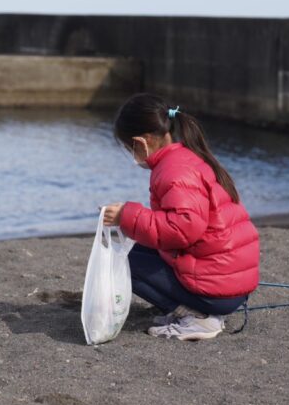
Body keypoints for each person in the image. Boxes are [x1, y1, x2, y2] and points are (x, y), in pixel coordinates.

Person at [102, 93, 260, 341]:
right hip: (229, 277)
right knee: (137, 249)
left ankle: (198, 318)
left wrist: (126, 215)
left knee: (124, 262)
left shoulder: (173, 171)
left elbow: (182, 229)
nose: (130, 154)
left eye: (128, 148)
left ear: (141, 142)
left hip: (220, 290)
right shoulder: (186, 157)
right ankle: (193, 309)